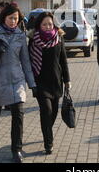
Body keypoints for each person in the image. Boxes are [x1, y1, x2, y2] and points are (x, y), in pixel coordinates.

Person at [0, 4, 36, 163]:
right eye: (11, 18)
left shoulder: (20, 35)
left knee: (18, 114)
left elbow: (25, 61)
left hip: (17, 80)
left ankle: (16, 149)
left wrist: (32, 84)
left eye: (16, 19)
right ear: (4, 17)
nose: (13, 21)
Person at [28, 12, 71, 155]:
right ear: (39, 25)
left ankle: (47, 130)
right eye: (44, 24)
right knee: (46, 110)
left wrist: (67, 80)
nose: (47, 27)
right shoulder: (34, 40)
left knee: (53, 113)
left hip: (55, 81)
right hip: (40, 82)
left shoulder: (58, 38)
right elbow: (28, 60)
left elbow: (63, 60)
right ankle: (48, 142)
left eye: (50, 24)